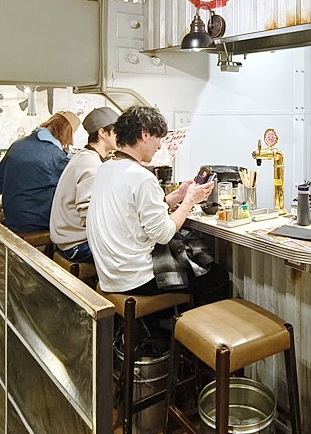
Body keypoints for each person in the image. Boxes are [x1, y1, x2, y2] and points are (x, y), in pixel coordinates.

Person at [86, 106, 228, 302]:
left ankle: (162, 325)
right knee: (216, 277)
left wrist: (178, 195)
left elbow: (134, 211)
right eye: (158, 139)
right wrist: (189, 201)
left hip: (110, 273)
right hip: (135, 278)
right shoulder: (142, 177)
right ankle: (184, 329)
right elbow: (163, 234)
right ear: (145, 134)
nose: (160, 146)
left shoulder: (107, 168)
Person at [50, 107, 119, 264]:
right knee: (137, 254)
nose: (121, 136)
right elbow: (90, 217)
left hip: (67, 239)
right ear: (102, 133)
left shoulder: (84, 156)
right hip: (77, 246)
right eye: (117, 131)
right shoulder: (91, 165)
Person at [0, 111, 79, 234]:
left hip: (11, 216)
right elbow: (68, 193)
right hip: (36, 222)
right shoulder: (57, 156)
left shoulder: (18, 144)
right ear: (67, 133)